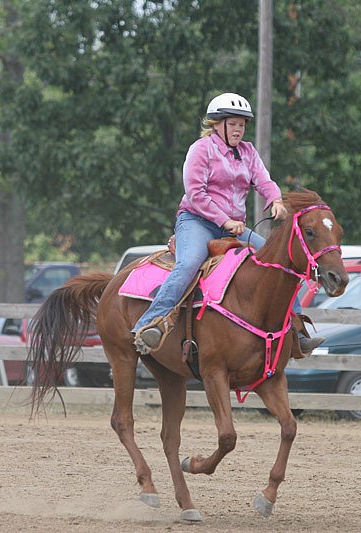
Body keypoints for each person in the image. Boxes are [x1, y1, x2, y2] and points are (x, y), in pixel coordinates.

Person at [132, 92, 324, 356]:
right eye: (233, 124)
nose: (238, 129)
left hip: (233, 226)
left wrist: (276, 200)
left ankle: (298, 335)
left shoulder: (247, 151)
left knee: (282, 263)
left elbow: (263, 180)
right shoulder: (201, 150)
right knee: (188, 264)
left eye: (242, 125)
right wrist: (225, 220)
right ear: (217, 124)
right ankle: (150, 324)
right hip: (197, 221)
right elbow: (196, 193)